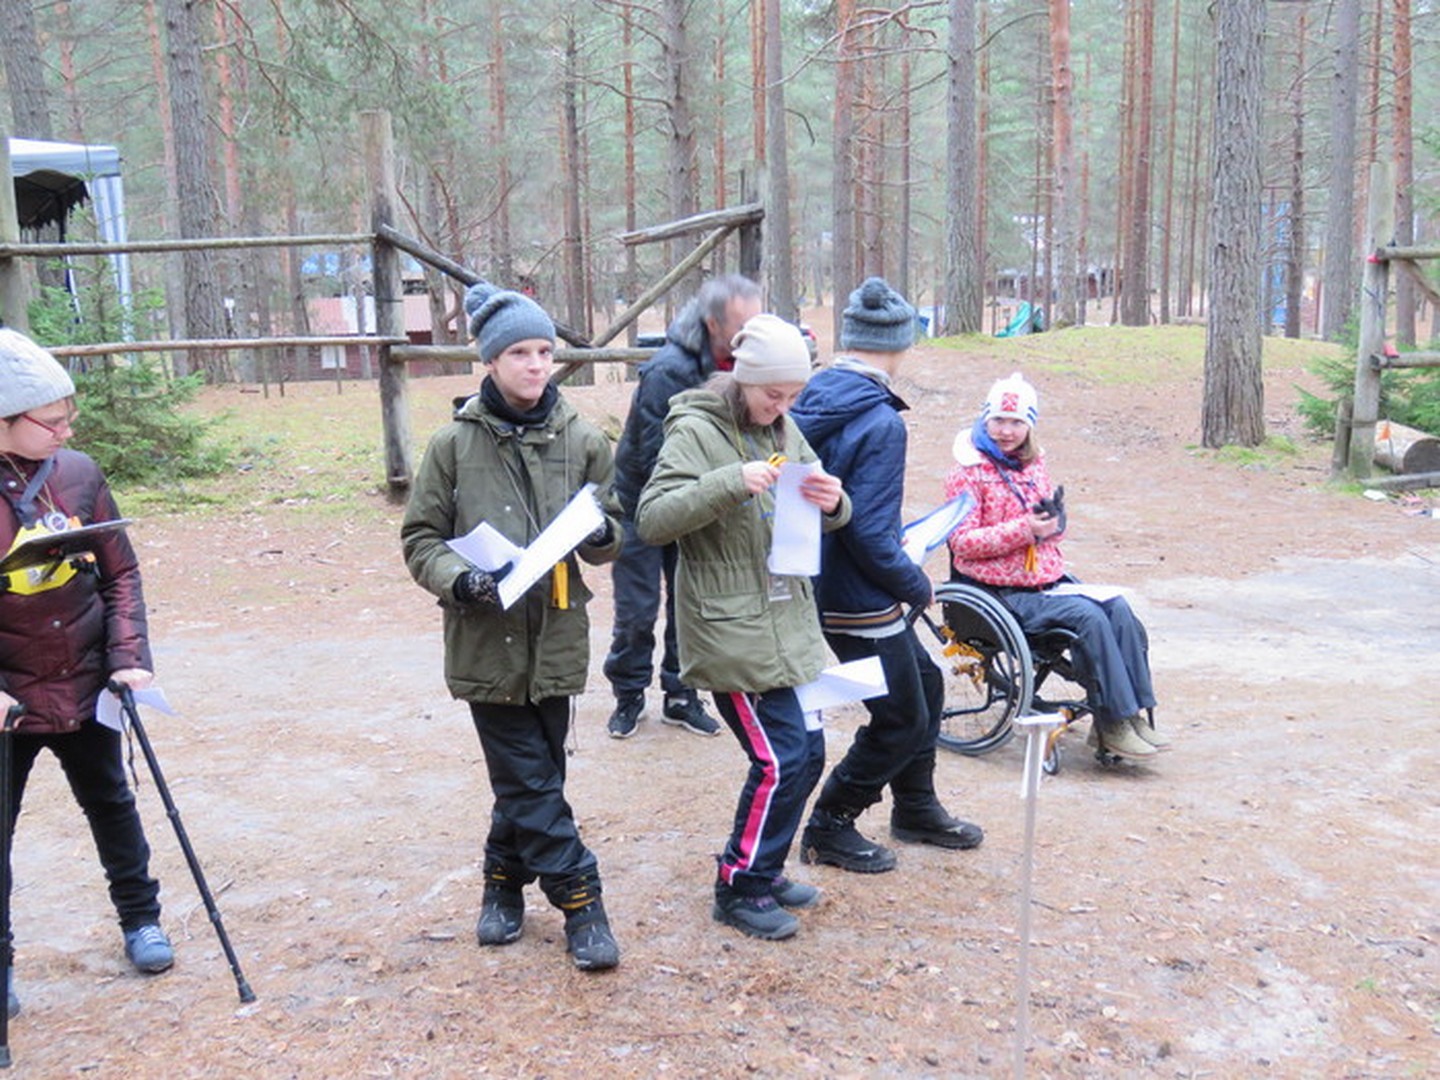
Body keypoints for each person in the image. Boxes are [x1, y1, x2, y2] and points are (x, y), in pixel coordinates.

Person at [401, 282, 625, 971]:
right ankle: (582, 901)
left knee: (535, 777)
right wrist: (462, 580)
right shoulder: (452, 445)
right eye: (521, 353)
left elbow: (616, 525)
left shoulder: (583, 438)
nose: (536, 365)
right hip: (485, 640)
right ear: (491, 361)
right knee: (530, 781)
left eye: (545, 352)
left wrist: (602, 534)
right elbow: (420, 539)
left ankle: (501, 884)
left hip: (556, 635)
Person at [636, 314, 850, 941]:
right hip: (729, 630)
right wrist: (730, 482)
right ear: (743, 379)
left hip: (787, 620)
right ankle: (739, 886)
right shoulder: (695, 429)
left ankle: (766, 867)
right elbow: (652, 519)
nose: (783, 407)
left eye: (793, 396)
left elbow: (827, 508)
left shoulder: (783, 426)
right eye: (773, 394)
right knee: (779, 759)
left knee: (807, 755)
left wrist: (834, 502)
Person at [0, 328, 173, 1020]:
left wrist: (127, 657)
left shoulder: (77, 473)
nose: (66, 430)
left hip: (87, 677)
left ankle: (142, 920)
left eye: (69, 416)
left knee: (112, 803)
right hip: (7, 698)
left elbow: (120, 572)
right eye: (52, 420)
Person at [790, 278, 985, 874]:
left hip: (817, 581)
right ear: (900, 343)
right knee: (901, 717)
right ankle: (830, 824)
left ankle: (916, 807)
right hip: (861, 597)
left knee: (925, 684)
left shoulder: (813, 396)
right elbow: (870, 535)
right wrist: (915, 583)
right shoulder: (880, 421)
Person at [943, 372, 1167, 760]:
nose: (1006, 431)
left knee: (1119, 610)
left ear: (1030, 425)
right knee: (1088, 619)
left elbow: (1052, 531)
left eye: (1016, 422)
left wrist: (1052, 525)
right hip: (997, 593)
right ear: (985, 419)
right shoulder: (968, 471)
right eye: (999, 420)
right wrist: (1024, 530)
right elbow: (961, 543)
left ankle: (1131, 715)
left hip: (1043, 581)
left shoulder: (1032, 465)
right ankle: (1113, 721)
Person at [604, 274, 763, 740]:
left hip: (699, 503)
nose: (750, 334)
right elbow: (660, 456)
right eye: (742, 325)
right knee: (637, 611)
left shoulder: (744, 366)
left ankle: (681, 695)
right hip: (640, 504)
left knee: (688, 607)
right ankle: (629, 693)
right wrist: (714, 486)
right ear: (713, 323)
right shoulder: (668, 371)